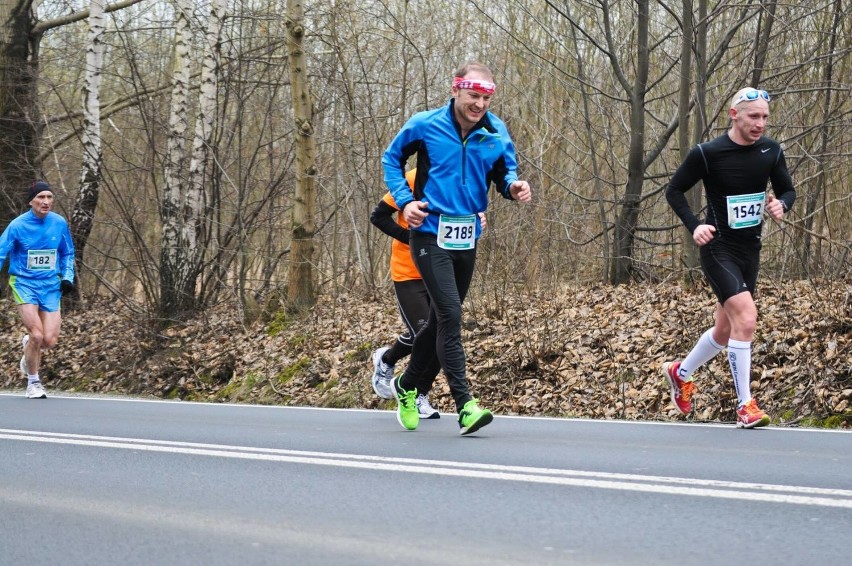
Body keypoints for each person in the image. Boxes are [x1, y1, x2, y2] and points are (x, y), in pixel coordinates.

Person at [381, 61, 532, 435]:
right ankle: (466, 404)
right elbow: (391, 158)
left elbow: (504, 173)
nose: (478, 104)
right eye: (472, 96)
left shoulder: (496, 131)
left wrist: (513, 188)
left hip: (466, 237)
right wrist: (405, 201)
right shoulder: (425, 124)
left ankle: (407, 385)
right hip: (429, 233)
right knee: (450, 314)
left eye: (484, 97)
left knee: (439, 320)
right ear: (456, 91)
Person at [663, 87, 795, 428]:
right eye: (754, 116)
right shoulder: (707, 153)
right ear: (734, 115)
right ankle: (745, 405)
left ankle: (681, 372)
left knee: (725, 331)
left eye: (765, 117)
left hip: (750, 249)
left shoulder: (771, 151)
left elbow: (787, 190)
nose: (760, 123)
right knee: (747, 319)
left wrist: (783, 204)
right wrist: (694, 227)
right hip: (718, 248)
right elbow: (674, 190)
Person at [369, 168, 487, 420]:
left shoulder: (463, 179)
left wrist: (477, 221)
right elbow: (378, 216)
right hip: (408, 272)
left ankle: (417, 390)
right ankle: (387, 360)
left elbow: (462, 221)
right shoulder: (413, 179)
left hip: (441, 271)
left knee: (440, 329)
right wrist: (411, 237)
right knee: (424, 330)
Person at [0, 180, 76, 399]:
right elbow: (1, 252)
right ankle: (33, 383)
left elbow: (67, 253)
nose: (46, 202)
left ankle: (29, 348)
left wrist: (67, 277)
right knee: (36, 334)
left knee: (49, 341)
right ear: (31, 201)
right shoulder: (17, 225)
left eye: (49, 197)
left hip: (51, 285)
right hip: (24, 283)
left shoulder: (59, 223)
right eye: (41, 197)